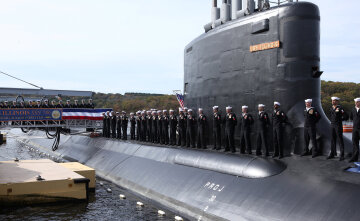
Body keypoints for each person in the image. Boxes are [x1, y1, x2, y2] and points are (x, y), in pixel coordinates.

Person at [349, 98, 360, 162]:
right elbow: (351, 117)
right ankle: (354, 158)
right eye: (355, 102)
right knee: (355, 144)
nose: (356, 103)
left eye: (358, 102)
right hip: (355, 129)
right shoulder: (353, 109)